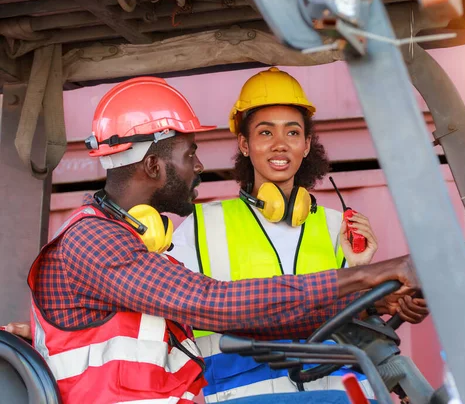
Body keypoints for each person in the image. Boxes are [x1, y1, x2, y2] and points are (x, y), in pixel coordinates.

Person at [7, 76, 421, 404]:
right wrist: (373, 275)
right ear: (152, 165)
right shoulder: (94, 242)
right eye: (190, 154)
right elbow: (217, 304)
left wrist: (371, 300)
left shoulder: (137, 247)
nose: (201, 166)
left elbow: (263, 317)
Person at [166, 67, 429, 402]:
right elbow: (186, 314)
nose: (280, 145)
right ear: (245, 144)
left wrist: (381, 300)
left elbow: (347, 319)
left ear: (306, 145)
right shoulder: (201, 225)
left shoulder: (337, 226)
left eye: (292, 133)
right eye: (265, 133)